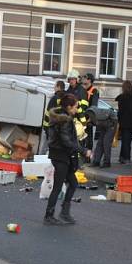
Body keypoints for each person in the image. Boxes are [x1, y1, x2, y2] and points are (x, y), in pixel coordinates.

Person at [43, 94, 90, 225]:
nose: (76, 109)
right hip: (61, 156)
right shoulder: (65, 120)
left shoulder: (62, 117)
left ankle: (64, 213)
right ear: (69, 107)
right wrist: (83, 150)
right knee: (58, 187)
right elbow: (66, 141)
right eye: (75, 107)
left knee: (73, 183)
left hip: (61, 155)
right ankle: (49, 215)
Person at [115, 80, 132, 164]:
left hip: (124, 122)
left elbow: (120, 112)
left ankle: (125, 157)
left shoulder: (122, 97)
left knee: (125, 141)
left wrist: (119, 121)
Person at [81, 73, 99, 144]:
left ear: (89, 80)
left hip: (88, 118)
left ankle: (88, 153)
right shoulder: (82, 89)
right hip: (81, 116)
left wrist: (90, 118)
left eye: (85, 77)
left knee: (88, 139)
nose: (83, 79)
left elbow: (94, 106)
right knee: (81, 138)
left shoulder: (94, 91)